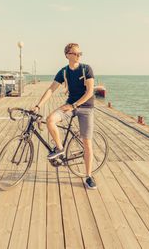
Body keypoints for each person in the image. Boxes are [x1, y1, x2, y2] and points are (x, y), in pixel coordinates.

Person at [33, 43, 97, 190]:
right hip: (70, 105)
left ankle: (88, 176)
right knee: (50, 120)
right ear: (67, 55)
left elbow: (90, 92)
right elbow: (51, 89)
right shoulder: (63, 72)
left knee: (87, 143)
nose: (78, 56)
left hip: (86, 107)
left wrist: (75, 105)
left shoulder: (86, 69)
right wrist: (38, 105)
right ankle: (60, 149)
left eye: (80, 53)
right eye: (75, 53)